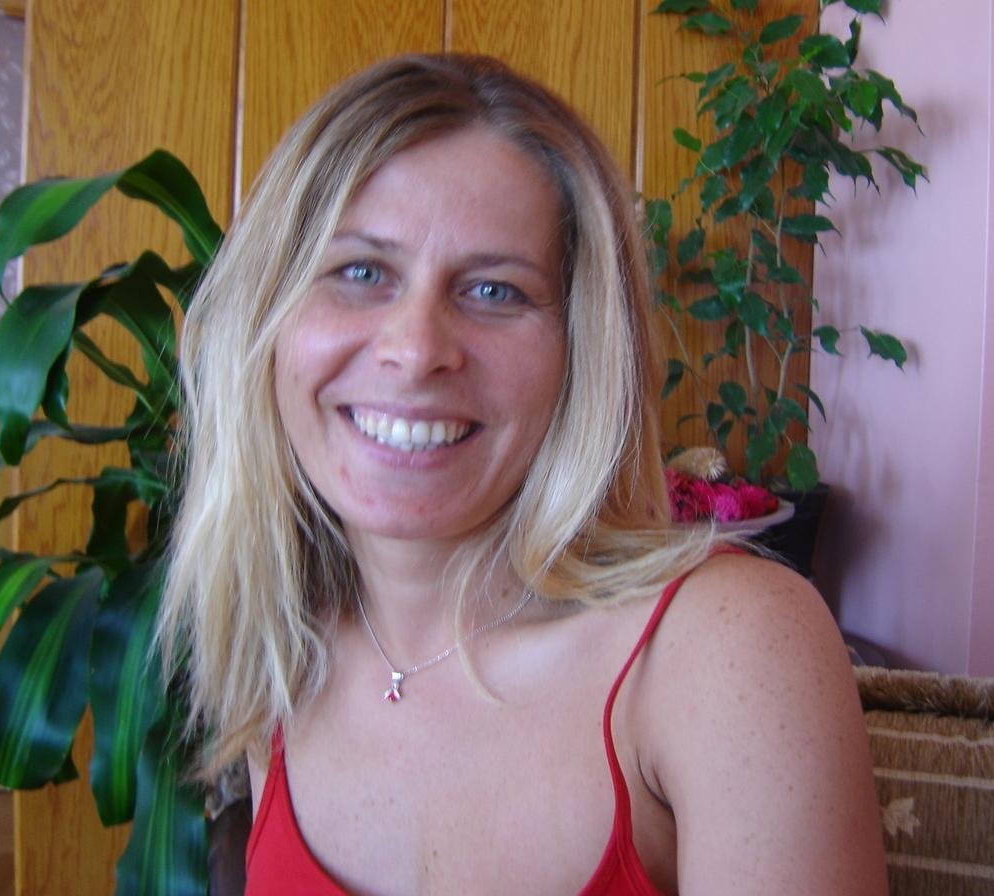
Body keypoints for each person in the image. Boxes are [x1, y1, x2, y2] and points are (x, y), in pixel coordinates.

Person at [159, 53, 887, 895]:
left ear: (582, 349)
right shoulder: (283, 657)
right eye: (360, 272)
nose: (416, 349)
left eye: (495, 291)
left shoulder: (726, 648)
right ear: (268, 321)